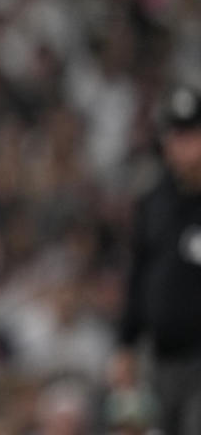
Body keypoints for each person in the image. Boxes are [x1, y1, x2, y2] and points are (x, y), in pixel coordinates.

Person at [112, 84, 201, 435]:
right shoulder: (154, 201)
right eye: (176, 135)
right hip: (161, 357)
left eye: (192, 133)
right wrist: (125, 343)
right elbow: (139, 276)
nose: (184, 145)